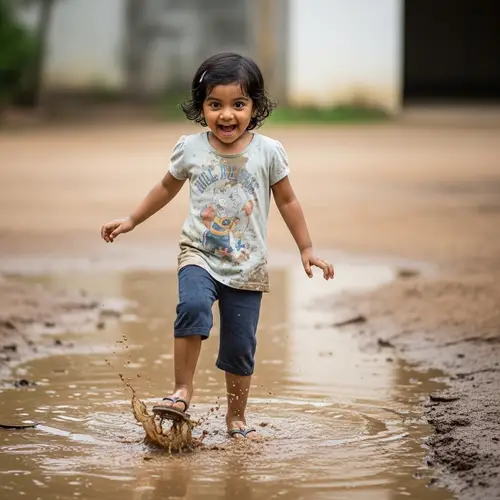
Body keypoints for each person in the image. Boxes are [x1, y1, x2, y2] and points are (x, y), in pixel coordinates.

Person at [100, 53, 334, 440]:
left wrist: (306, 249)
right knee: (192, 308)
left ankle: (236, 417)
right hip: (200, 254)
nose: (227, 115)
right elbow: (165, 187)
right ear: (201, 108)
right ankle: (181, 392)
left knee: (240, 347)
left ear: (254, 107)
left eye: (238, 104)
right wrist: (131, 221)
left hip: (248, 265)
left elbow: (288, 201)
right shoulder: (190, 149)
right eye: (215, 104)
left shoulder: (268, 152)